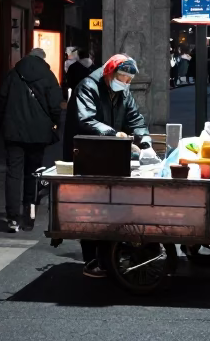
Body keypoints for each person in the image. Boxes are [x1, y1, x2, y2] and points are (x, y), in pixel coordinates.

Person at [63, 54, 156, 278]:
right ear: (109, 73)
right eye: (122, 78)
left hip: (110, 153)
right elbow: (86, 120)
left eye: (129, 80)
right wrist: (115, 134)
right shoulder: (88, 86)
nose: (125, 83)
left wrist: (145, 142)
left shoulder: (123, 91)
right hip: (87, 153)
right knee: (91, 207)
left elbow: (135, 118)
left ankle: (110, 256)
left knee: (112, 205)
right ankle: (92, 259)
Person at [0, 46, 63, 233]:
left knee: (13, 174)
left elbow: (0, 102)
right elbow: (55, 105)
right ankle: (29, 218)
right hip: (38, 133)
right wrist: (56, 124)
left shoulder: (12, 74)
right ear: (43, 59)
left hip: (13, 132)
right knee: (33, 175)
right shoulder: (48, 76)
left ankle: (12, 218)